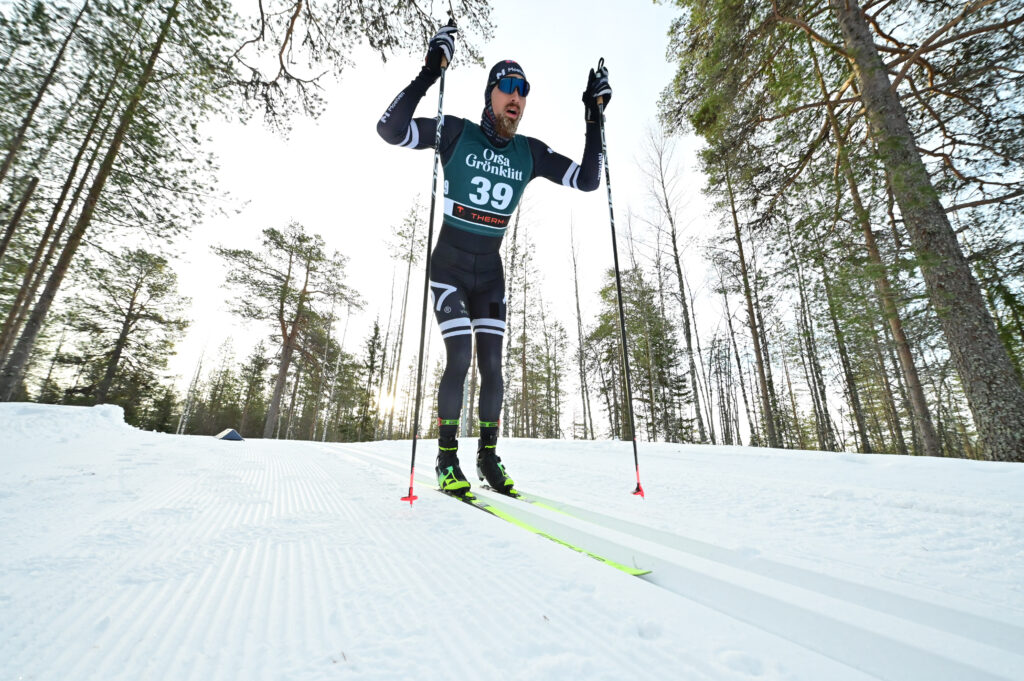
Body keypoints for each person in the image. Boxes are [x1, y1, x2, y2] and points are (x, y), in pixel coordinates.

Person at [377, 22, 611, 496]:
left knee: (493, 366)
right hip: (449, 267)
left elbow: (588, 181)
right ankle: (445, 459)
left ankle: (487, 457)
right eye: (507, 86)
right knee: (459, 356)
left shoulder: (529, 152)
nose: (516, 97)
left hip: (491, 276)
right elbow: (390, 130)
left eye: (523, 90)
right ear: (490, 95)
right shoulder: (456, 133)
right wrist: (429, 72)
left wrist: (595, 117)